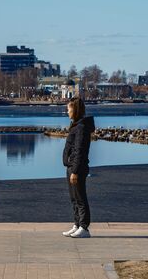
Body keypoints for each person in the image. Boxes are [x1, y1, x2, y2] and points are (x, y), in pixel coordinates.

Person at [62, 97, 95, 238]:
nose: (66, 111)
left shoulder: (81, 127)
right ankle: (76, 224)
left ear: (75, 110)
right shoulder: (76, 125)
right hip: (71, 167)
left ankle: (84, 227)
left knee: (80, 198)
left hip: (78, 168)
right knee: (73, 198)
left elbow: (79, 150)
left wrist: (75, 171)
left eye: (68, 109)